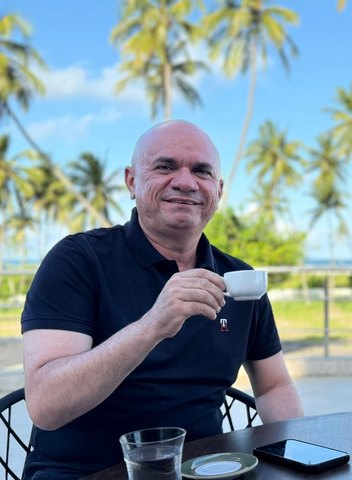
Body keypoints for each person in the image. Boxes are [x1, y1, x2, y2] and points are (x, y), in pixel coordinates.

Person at [21, 120, 304, 479]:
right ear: (131, 181)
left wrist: (300, 452)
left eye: (201, 171)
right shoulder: (79, 260)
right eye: (165, 166)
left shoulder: (238, 279)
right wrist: (153, 325)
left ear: (217, 189)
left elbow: (274, 385)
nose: (185, 182)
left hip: (206, 469)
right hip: (83, 472)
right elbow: (46, 405)